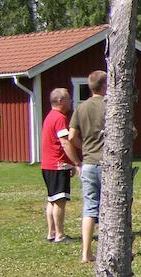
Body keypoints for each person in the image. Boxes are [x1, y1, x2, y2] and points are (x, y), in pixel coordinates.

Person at [67, 70, 107, 263]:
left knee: (90, 208)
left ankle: (86, 253)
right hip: (110, 165)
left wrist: (85, 147)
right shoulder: (112, 105)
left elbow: (71, 136)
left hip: (89, 163)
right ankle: (113, 250)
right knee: (113, 208)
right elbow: (131, 132)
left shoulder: (81, 108)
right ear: (106, 85)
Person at [40, 88, 80, 244]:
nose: (71, 101)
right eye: (68, 98)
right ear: (59, 101)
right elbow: (64, 142)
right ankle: (60, 235)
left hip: (47, 165)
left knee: (52, 200)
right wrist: (76, 162)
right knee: (60, 200)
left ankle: (51, 232)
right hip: (57, 165)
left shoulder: (49, 117)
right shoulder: (59, 118)